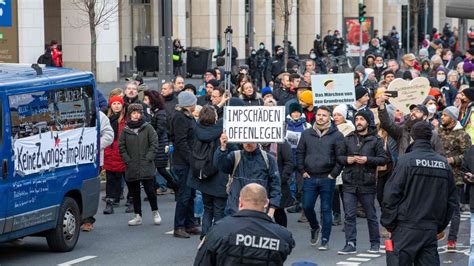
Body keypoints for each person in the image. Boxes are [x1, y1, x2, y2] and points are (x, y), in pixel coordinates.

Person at [381, 121, 458, 265]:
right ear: (431, 138)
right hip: (430, 227)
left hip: (405, 227)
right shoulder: (443, 164)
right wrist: (439, 226)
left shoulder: (405, 160)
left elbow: (391, 195)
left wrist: (389, 223)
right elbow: (451, 201)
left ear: (412, 137)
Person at [194, 183, 295, 266]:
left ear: (240, 202)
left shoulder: (219, 230)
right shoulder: (282, 235)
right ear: (266, 203)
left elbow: (202, 262)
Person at [337, 111, 387, 255]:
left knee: (371, 214)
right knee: (349, 215)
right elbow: (339, 157)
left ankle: (375, 243)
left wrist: (367, 159)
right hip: (349, 182)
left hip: (367, 182)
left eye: (362, 119)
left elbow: (383, 159)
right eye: (357, 119)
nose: (358, 122)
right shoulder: (349, 138)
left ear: (368, 121)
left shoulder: (375, 140)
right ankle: (350, 243)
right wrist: (347, 159)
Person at [297, 106, 344, 250]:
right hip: (309, 177)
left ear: (329, 117)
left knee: (326, 209)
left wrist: (333, 175)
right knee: (307, 206)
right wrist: (302, 170)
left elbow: (340, 158)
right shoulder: (306, 134)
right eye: (318, 115)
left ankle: (325, 240)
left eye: (324, 115)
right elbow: (299, 153)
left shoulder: (337, 135)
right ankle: (315, 227)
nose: (320, 117)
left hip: (327, 178)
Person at [187, 106, 233, 239]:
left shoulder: (195, 129)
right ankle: (216, 238)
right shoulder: (222, 132)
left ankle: (205, 236)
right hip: (218, 177)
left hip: (202, 176)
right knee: (219, 210)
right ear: (215, 118)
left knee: (208, 209)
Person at [214, 132, 282, 216]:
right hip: (235, 211)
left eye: (251, 140)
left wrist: (271, 211)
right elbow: (220, 165)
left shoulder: (268, 159)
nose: (248, 143)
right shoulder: (235, 156)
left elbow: (275, 186)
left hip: (260, 212)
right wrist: (222, 148)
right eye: (245, 140)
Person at [118, 103, 161, 226]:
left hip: (146, 164)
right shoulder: (126, 130)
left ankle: (155, 212)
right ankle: (138, 215)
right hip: (132, 166)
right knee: (134, 192)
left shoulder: (147, 127)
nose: (136, 115)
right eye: (134, 113)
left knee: (150, 191)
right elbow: (121, 146)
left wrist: (149, 158)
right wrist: (127, 160)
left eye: (138, 112)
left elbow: (154, 143)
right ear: (130, 115)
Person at [437, 106, 472, 251]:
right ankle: (438, 233)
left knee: (454, 210)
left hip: (455, 178)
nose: (442, 117)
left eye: (445, 115)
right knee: (437, 207)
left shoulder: (462, 135)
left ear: (452, 117)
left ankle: (452, 239)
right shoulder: (438, 131)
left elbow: (468, 156)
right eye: (442, 115)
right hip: (439, 175)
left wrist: (453, 160)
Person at [171, 91, 201, 238]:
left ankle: (190, 224)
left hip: (188, 161)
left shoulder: (187, 117)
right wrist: (191, 159)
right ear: (189, 104)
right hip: (183, 162)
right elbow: (181, 141)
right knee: (184, 194)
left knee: (191, 194)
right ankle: (179, 226)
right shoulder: (181, 118)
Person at [376, 94, 444, 156]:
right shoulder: (403, 132)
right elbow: (387, 124)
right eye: (412, 111)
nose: (413, 113)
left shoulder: (432, 134)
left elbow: (439, 154)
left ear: (424, 117)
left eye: (417, 111)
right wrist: (382, 105)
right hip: (405, 167)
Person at [81, 110, 114, 231]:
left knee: (88, 189)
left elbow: (109, 135)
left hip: (93, 159)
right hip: (70, 158)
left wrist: (96, 146)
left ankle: (88, 219)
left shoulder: (99, 115)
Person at [144, 90, 178, 194]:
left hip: (160, 145)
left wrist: (151, 138)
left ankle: (175, 185)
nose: (144, 101)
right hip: (154, 144)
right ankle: (155, 188)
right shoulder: (153, 111)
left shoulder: (161, 113)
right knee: (153, 168)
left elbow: (160, 129)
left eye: (146, 99)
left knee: (161, 169)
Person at [331, 104, 355, 226]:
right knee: (334, 191)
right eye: (334, 115)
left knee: (345, 191)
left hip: (346, 163)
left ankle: (348, 216)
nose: (336, 117)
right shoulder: (331, 128)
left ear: (344, 116)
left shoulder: (350, 129)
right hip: (334, 163)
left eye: (339, 115)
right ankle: (336, 215)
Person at [103, 96, 127, 215]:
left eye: (119, 103)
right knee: (110, 179)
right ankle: (110, 201)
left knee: (123, 177)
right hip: (109, 152)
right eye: (114, 103)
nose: (116, 105)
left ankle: (129, 199)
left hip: (121, 152)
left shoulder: (125, 119)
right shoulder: (107, 119)